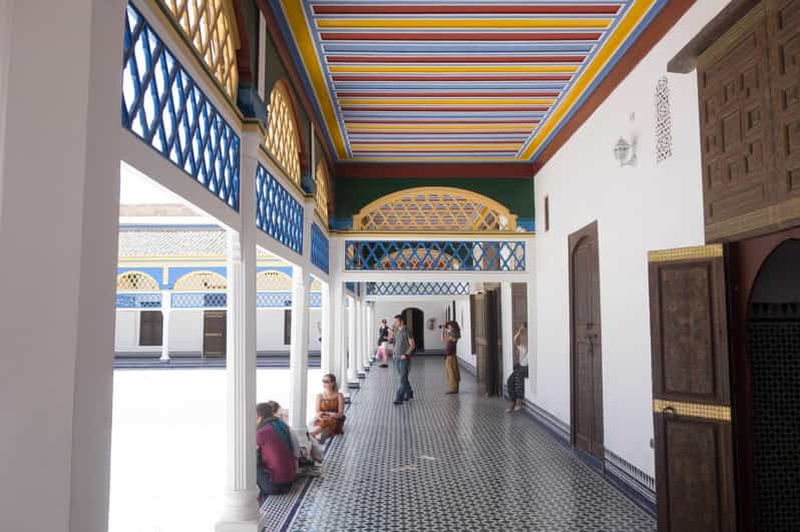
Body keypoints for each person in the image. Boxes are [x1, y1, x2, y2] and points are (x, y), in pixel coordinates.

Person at [256, 402, 297, 503]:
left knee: (248, 465)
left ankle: (254, 502)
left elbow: (254, 460)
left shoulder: (261, 433)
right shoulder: (281, 424)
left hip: (276, 486)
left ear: (260, 416)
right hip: (291, 481)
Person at [310, 373, 345, 443]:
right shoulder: (319, 396)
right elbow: (317, 412)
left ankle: (313, 434)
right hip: (322, 419)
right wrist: (322, 417)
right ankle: (321, 436)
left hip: (336, 419)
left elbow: (340, 414)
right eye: (323, 381)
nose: (324, 383)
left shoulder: (339, 396)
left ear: (332, 383)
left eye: (326, 381)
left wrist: (328, 414)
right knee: (327, 424)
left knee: (331, 422)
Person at [392, 314, 416, 405]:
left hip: (404, 359)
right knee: (403, 378)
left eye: (396, 321)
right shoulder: (397, 331)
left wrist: (406, 355)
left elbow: (412, 345)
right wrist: (394, 353)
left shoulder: (407, 331)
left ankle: (399, 398)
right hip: (397, 358)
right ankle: (409, 392)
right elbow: (396, 344)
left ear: (401, 321)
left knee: (402, 378)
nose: (395, 323)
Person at [506, 323, 529, 413]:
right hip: (521, 366)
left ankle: (519, 400)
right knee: (509, 380)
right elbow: (515, 340)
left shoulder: (533, 342)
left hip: (528, 367)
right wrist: (520, 331)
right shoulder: (522, 343)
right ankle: (513, 401)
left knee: (519, 374)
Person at [441, 320, 461, 394]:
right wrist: (443, 331)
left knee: (452, 372)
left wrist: (447, 331)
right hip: (448, 355)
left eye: (449, 326)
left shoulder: (455, 334)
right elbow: (442, 339)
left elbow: (450, 338)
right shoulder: (451, 333)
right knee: (450, 372)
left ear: (453, 326)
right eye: (448, 326)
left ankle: (453, 388)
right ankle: (453, 387)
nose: (448, 327)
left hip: (451, 355)